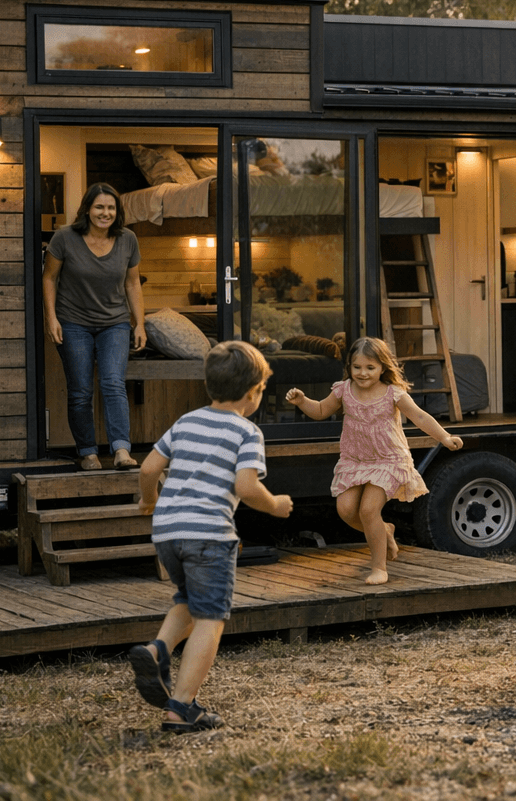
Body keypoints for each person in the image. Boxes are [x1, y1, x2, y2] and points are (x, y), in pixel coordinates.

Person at [128, 340, 293, 733]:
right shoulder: (247, 432)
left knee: (188, 598)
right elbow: (247, 487)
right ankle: (181, 707)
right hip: (209, 535)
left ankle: (157, 649)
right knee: (211, 617)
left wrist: (148, 502)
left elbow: (149, 468)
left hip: (167, 531)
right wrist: (275, 506)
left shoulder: (185, 421)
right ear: (253, 393)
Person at [285, 337, 464, 584]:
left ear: (382, 367)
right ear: (349, 367)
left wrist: (444, 437)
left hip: (387, 459)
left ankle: (379, 568)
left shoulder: (393, 394)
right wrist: (302, 401)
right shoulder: (344, 390)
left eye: (370, 368)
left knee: (369, 510)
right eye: (357, 367)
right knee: (346, 511)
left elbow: (420, 417)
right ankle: (385, 531)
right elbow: (319, 411)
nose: (363, 373)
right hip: (355, 459)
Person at [42, 183, 146, 470]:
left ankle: (122, 451)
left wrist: (140, 323)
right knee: (80, 390)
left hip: (114, 323)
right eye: (99, 207)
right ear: (87, 209)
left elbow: (132, 282)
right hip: (74, 322)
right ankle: (87, 452)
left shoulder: (128, 239)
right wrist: (51, 318)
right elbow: (49, 278)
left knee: (113, 383)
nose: (106, 213)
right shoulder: (64, 238)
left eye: (111, 207)